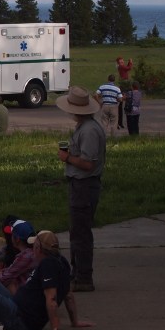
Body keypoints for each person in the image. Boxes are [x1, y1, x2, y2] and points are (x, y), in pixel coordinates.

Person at [0, 230, 93, 330]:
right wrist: (74, 321)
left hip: (20, 320)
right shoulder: (62, 262)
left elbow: (51, 300)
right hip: (17, 306)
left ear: (38, 248)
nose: (32, 248)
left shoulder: (48, 266)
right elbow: (68, 295)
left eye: (34, 245)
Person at [57, 86, 106, 292]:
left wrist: (67, 158)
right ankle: (77, 273)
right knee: (77, 231)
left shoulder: (89, 131)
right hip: (80, 184)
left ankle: (84, 277)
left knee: (81, 234)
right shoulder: (85, 127)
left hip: (85, 185)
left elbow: (88, 164)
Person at [0, 219, 36, 293]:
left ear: (17, 239)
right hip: (29, 288)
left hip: (26, 293)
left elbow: (6, 276)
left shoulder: (25, 256)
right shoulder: (33, 251)